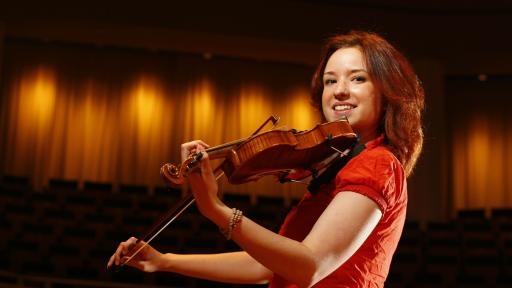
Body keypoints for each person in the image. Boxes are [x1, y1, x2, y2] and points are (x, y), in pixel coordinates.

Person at [107, 30, 424, 287]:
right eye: (330, 80)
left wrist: (216, 210)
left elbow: (310, 267)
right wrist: (165, 261)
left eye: (357, 78)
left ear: (387, 91)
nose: (339, 91)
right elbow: (269, 267)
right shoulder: (340, 166)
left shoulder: (378, 163)